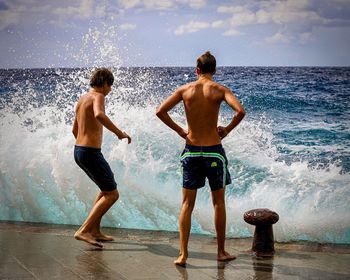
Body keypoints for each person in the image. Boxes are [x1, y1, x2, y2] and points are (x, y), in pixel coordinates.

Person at [156, 51, 245, 266]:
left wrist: (180, 131)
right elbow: (240, 111)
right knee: (218, 203)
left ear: (197, 70)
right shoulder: (220, 90)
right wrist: (227, 130)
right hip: (214, 150)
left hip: (192, 150)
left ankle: (183, 254)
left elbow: (160, 111)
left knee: (187, 204)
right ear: (214, 70)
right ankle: (221, 252)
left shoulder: (184, 90)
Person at [72, 68, 131, 248]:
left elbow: (74, 130)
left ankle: (95, 231)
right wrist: (119, 133)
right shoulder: (98, 96)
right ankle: (84, 230)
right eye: (110, 86)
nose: (110, 90)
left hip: (79, 151)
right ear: (104, 83)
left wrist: (85, 145)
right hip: (90, 152)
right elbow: (99, 114)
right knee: (112, 194)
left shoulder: (81, 100)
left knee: (105, 189)